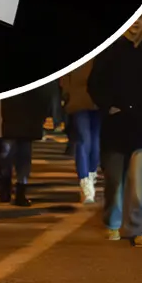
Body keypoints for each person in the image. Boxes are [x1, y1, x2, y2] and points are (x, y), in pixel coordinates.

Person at [87, 14, 142, 247]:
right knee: (114, 180)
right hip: (116, 123)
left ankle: (138, 228)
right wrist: (108, 106)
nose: (135, 22)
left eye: (140, 17)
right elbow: (95, 82)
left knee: (139, 180)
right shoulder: (110, 47)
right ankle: (113, 223)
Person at [61, 60, 101, 204]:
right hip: (94, 98)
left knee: (86, 140)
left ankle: (87, 180)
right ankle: (88, 177)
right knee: (90, 139)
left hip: (81, 98)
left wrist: (66, 93)